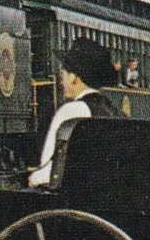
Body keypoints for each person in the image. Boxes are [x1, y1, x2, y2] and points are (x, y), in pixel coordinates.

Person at [29, 38, 119, 187]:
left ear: (74, 78)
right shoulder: (114, 111)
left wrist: (34, 178)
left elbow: (48, 173)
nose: (61, 81)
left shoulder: (71, 110)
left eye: (63, 74)